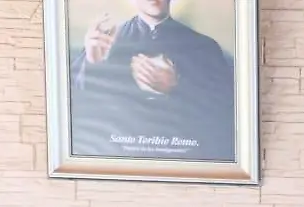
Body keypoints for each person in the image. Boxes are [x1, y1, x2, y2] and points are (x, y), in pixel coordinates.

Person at [70, 0, 235, 161]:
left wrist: (178, 86)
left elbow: (224, 111)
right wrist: (92, 64)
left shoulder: (204, 47)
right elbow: (81, 110)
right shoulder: (105, 42)